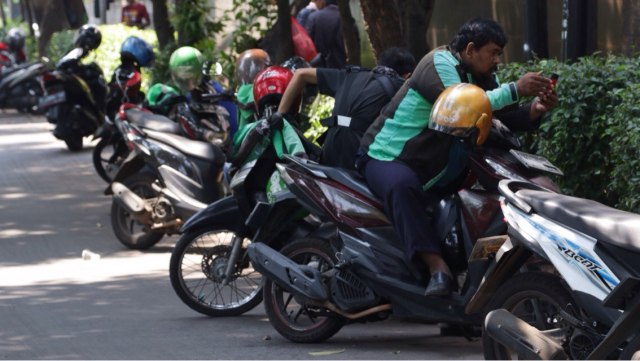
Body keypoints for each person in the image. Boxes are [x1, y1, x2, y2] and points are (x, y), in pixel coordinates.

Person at [356, 17, 558, 296]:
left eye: (500, 53)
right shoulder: (437, 64)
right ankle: (436, 268)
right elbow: (461, 105)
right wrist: (515, 89)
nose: (497, 60)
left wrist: (534, 108)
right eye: (494, 53)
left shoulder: (481, 76)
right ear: (471, 49)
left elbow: (499, 114)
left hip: (435, 164)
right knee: (402, 187)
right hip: (388, 156)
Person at [276, 47, 416, 170]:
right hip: (359, 162)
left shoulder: (349, 75)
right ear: (407, 75)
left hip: (328, 156)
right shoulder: (401, 86)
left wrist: (279, 117)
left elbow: (300, 74)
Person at [305, 0, 347, 69]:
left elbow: (307, 44)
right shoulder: (346, 18)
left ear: (323, 1)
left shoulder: (314, 17)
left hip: (319, 69)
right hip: (342, 68)